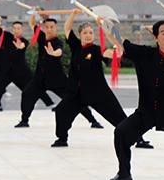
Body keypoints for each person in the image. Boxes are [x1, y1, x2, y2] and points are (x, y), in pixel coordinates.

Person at [102, 21, 164, 180]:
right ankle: (124, 173)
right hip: (146, 111)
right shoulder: (144, 54)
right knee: (121, 132)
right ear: (155, 37)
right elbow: (119, 40)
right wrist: (106, 25)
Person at [51, 10, 127, 147]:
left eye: (91, 32)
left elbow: (107, 53)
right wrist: (73, 15)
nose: (88, 35)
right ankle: (62, 139)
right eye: (85, 32)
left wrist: (115, 52)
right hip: (76, 93)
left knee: (119, 117)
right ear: (79, 35)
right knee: (61, 111)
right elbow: (67, 28)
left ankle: (138, 139)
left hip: (98, 93)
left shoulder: (96, 50)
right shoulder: (75, 46)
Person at [16, 16, 101, 128]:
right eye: (47, 27)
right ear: (44, 28)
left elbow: (59, 52)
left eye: (52, 27)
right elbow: (32, 23)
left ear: (55, 28)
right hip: (39, 79)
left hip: (57, 80)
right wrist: (33, 13)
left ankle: (93, 120)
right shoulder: (41, 38)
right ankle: (24, 120)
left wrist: (53, 53)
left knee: (74, 98)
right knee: (27, 94)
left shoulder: (57, 41)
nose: (49, 29)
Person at [0, 18, 52, 112]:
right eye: (14, 28)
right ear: (12, 29)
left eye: (19, 28)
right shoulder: (7, 37)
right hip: (6, 71)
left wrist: (20, 46)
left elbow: (23, 45)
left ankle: (50, 103)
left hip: (21, 72)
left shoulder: (24, 41)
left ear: (22, 30)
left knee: (35, 87)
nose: (16, 30)